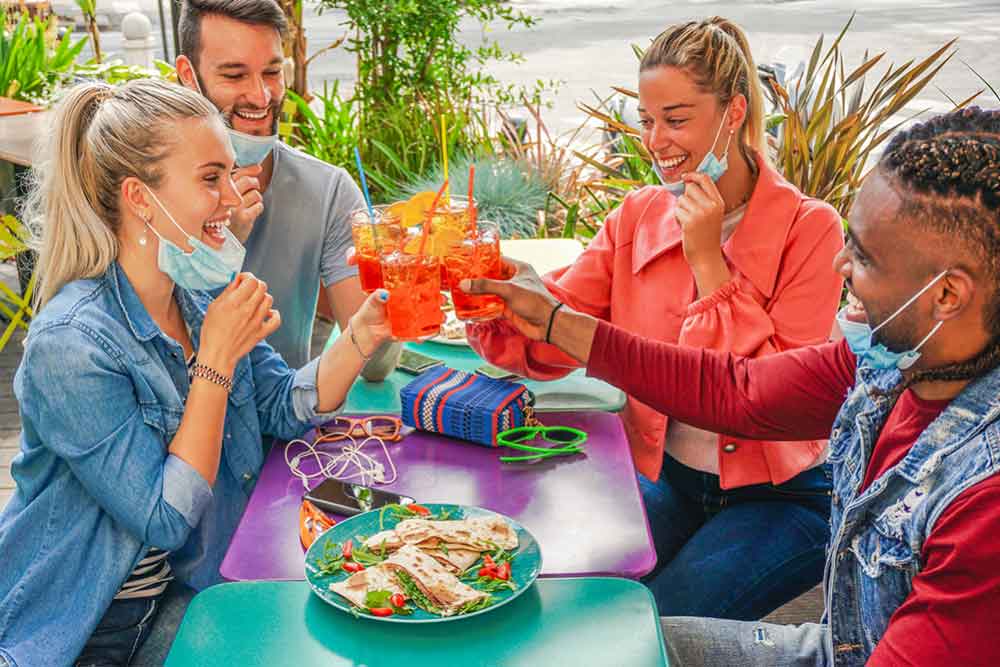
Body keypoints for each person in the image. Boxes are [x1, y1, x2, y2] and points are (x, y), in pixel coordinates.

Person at [462, 106, 1000, 666]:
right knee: (607, 645)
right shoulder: (892, 365)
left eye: (863, 257)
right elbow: (740, 391)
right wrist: (554, 322)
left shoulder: (986, 501)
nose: (841, 263)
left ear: (947, 295)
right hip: (839, 648)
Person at [0, 80, 392, 667]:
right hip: (92, 629)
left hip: (195, 590)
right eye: (211, 179)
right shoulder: (73, 345)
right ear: (139, 197)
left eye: (231, 175)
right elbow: (164, 517)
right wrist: (215, 360)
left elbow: (283, 405)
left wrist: (363, 331)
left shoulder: (202, 294)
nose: (234, 198)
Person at [467, 17, 844, 618]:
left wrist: (707, 261)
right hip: (664, 478)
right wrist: (491, 298)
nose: (655, 141)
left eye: (676, 119)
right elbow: (559, 330)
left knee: (653, 625)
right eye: (647, 121)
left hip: (780, 498)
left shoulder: (812, 228)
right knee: (560, 594)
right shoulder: (637, 215)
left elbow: (778, 401)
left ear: (734, 113)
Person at [174, 0, 399, 376]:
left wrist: (394, 283)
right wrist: (215, 251)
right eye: (234, 75)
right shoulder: (146, 193)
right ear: (188, 75)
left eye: (272, 72)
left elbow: (374, 367)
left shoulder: (327, 191)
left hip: (287, 429)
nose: (261, 97)